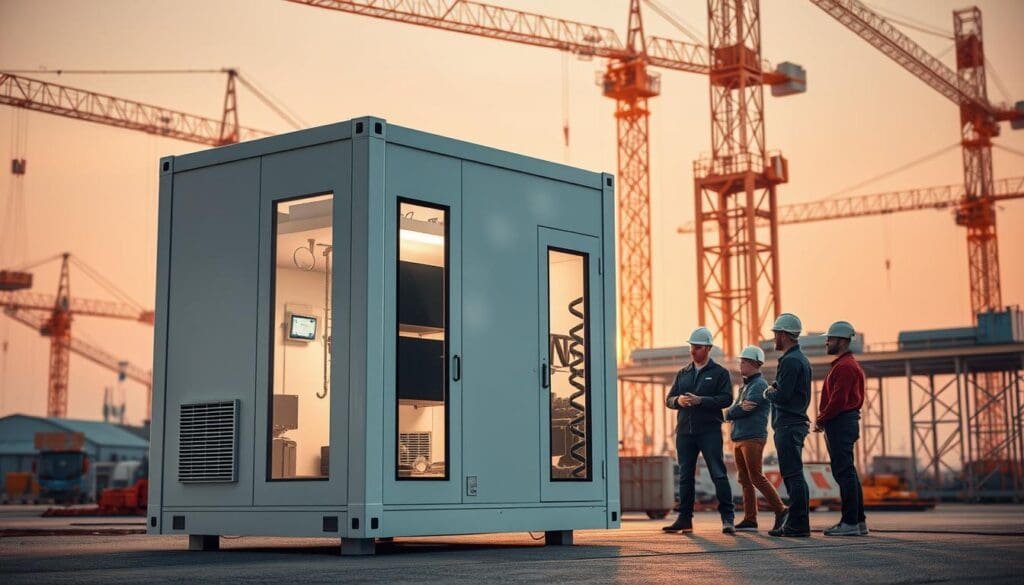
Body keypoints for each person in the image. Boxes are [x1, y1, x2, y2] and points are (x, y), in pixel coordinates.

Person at [662, 326, 735, 534]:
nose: (693, 350)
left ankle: (728, 519)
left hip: (709, 431)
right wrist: (678, 401)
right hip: (685, 432)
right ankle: (684, 519)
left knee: (718, 473)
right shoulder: (682, 373)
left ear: (708, 348)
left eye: (698, 347)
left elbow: (726, 399)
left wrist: (700, 400)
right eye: (692, 347)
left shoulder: (720, 373)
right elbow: (668, 399)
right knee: (685, 476)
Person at [725, 345, 788, 532]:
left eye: (744, 361)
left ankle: (781, 510)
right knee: (744, 479)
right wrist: (733, 411)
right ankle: (750, 519)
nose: (740, 364)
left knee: (756, 477)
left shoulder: (759, 385)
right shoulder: (745, 386)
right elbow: (738, 407)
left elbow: (747, 408)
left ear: (754, 363)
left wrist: (730, 412)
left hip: (752, 437)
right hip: (739, 436)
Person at [817, 320, 869, 536]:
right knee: (848, 472)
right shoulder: (845, 364)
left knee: (844, 473)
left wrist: (821, 418)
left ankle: (849, 523)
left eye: (829, 339)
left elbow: (838, 400)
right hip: (844, 421)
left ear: (841, 340)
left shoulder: (845, 367)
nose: (826, 342)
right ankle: (858, 521)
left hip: (840, 422)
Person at [764, 313, 812, 537]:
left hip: (788, 424)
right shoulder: (800, 359)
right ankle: (796, 523)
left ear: (783, 334)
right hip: (794, 423)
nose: (774, 338)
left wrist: (769, 392)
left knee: (793, 475)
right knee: (794, 474)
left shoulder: (790, 361)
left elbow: (782, 396)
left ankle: (798, 525)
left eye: (775, 334)